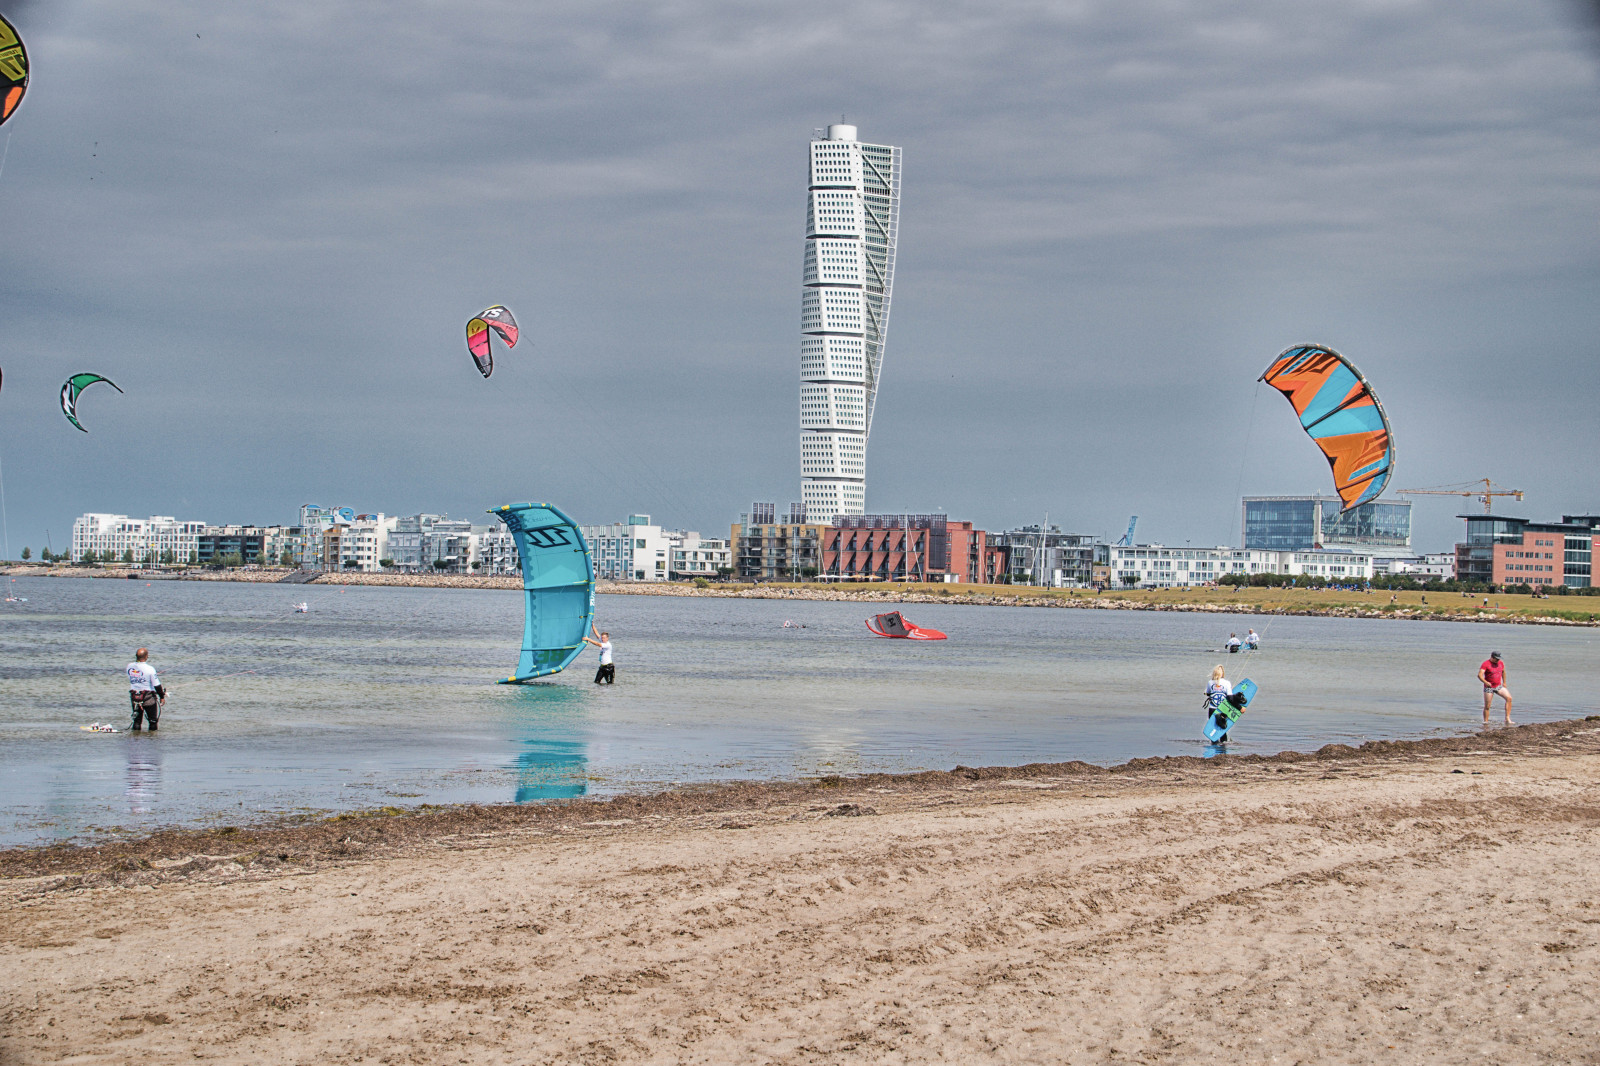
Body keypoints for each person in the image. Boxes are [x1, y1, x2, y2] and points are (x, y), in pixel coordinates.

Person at [125, 648, 165, 731]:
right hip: (148, 698)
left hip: (134, 697)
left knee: (137, 721)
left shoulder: (129, 666)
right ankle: (151, 740)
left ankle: (136, 739)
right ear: (146, 656)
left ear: (136, 656)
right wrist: (162, 696)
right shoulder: (150, 669)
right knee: (153, 721)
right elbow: (157, 685)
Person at [1478, 651, 1512, 725]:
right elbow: (1480, 675)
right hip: (1489, 687)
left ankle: (1507, 718)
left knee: (1509, 698)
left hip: (1498, 686)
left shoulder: (1501, 663)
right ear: (1492, 657)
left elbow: (1503, 672)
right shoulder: (1485, 664)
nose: (1498, 660)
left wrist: (1504, 682)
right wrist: (1486, 682)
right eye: (1496, 659)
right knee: (1487, 706)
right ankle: (1486, 722)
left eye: (1499, 659)